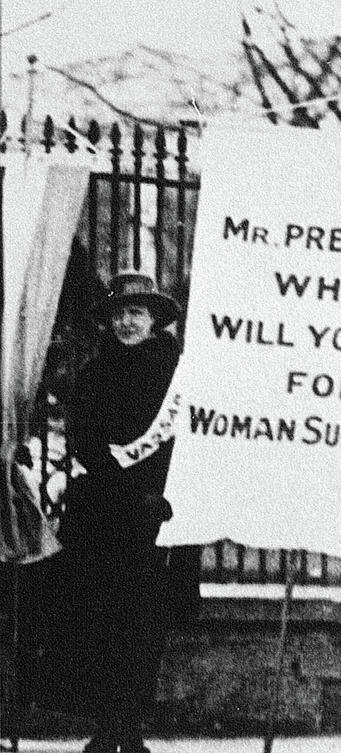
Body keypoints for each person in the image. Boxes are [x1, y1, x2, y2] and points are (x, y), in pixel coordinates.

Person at [57, 271, 184, 753]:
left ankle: (129, 730)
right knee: (101, 622)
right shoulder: (94, 373)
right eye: (119, 314)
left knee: (144, 624)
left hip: (156, 513)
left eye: (136, 313)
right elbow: (84, 440)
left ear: (154, 320)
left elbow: (183, 441)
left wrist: (159, 493)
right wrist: (120, 483)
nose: (127, 322)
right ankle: (108, 729)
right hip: (105, 512)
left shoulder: (178, 374)